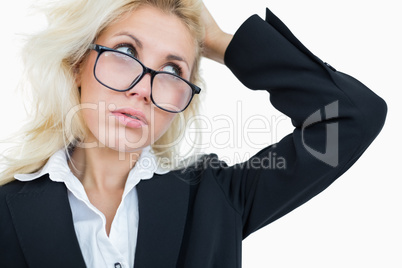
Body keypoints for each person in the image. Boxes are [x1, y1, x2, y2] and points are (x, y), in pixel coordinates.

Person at [0, 0, 387, 267]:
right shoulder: (6, 210)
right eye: (126, 53)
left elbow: (351, 116)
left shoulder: (216, 197)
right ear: (76, 65)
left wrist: (220, 41)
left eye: (172, 72)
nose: (143, 88)